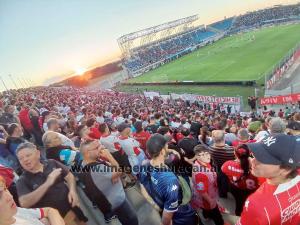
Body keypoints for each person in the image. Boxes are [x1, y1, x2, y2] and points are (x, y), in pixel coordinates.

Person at [15, 142, 88, 225]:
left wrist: (72, 191)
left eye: (28, 155)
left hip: (74, 208)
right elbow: (24, 203)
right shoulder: (22, 181)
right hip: (57, 220)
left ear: (38, 154)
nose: (25, 160)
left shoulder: (51, 163)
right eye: (21, 158)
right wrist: (48, 182)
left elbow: (69, 176)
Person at [237, 134, 300, 225]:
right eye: (255, 155)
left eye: (263, 159)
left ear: (285, 169)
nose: (253, 161)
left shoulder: (255, 205)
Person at [139, 134, 199, 225]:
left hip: (162, 206)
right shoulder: (170, 181)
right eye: (167, 146)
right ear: (162, 151)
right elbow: (167, 218)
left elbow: (142, 186)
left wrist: (155, 206)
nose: (169, 147)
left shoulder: (144, 164)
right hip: (178, 215)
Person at [78, 140, 139, 225]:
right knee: (132, 221)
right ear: (87, 153)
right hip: (117, 201)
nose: (102, 148)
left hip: (109, 201)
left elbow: (112, 172)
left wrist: (113, 175)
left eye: (100, 145)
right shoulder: (97, 168)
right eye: (97, 147)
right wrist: (109, 156)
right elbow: (119, 171)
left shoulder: (84, 163)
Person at [0, 175, 65, 225]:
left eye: (5, 189)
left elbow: (49, 210)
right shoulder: (22, 180)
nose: (10, 196)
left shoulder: (16, 212)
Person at [190, 145, 224, 225]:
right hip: (207, 199)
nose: (207, 156)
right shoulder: (200, 174)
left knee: (207, 210)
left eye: (207, 153)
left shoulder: (203, 163)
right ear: (197, 157)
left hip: (210, 191)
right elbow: (202, 191)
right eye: (202, 155)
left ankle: (207, 215)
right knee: (216, 215)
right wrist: (210, 201)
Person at [222, 145, 259, 216]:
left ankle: (239, 214)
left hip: (236, 189)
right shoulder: (257, 167)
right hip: (251, 191)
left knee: (239, 202)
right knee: (250, 202)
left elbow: (223, 172)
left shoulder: (227, 164)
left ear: (235, 154)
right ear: (249, 153)